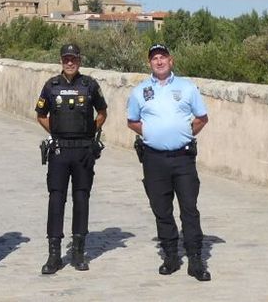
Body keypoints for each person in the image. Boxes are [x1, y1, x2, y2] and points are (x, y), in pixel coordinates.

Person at [127, 44, 211, 282]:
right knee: (162, 210)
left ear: (171, 61)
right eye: (155, 58)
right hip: (153, 159)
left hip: (183, 158)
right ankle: (171, 256)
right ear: (149, 63)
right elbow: (132, 121)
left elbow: (202, 118)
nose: (159, 61)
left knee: (189, 209)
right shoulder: (140, 91)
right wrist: (153, 132)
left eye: (163, 57)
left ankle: (195, 260)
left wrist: (184, 132)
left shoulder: (186, 87)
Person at [35, 43, 107, 274]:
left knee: (81, 199)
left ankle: (78, 253)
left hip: (83, 151)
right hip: (59, 151)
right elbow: (41, 115)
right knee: (56, 200)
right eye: (66, 58)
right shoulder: (51, 86)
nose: (69, 62)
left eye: (73, 59)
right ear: (61, 60)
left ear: (79, 60)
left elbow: (102, 112)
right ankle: (54, 255)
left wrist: (89, 132)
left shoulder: (90, 85)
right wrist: (56, 132)